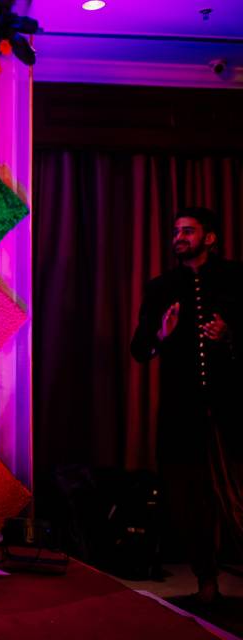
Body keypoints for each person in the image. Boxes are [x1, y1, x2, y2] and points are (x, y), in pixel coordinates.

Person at [131, 206, 243, 604]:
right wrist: (162, 333)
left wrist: (231, 336)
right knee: (191, 499)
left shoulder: (235, 279)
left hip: (231, 408)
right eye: (176, 231)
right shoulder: (161, 287)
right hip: (183, 413)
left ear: (209, 238)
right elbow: (139, 349)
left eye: (188, 231)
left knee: (236, 495)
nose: (179, 237)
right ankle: (206, 583)